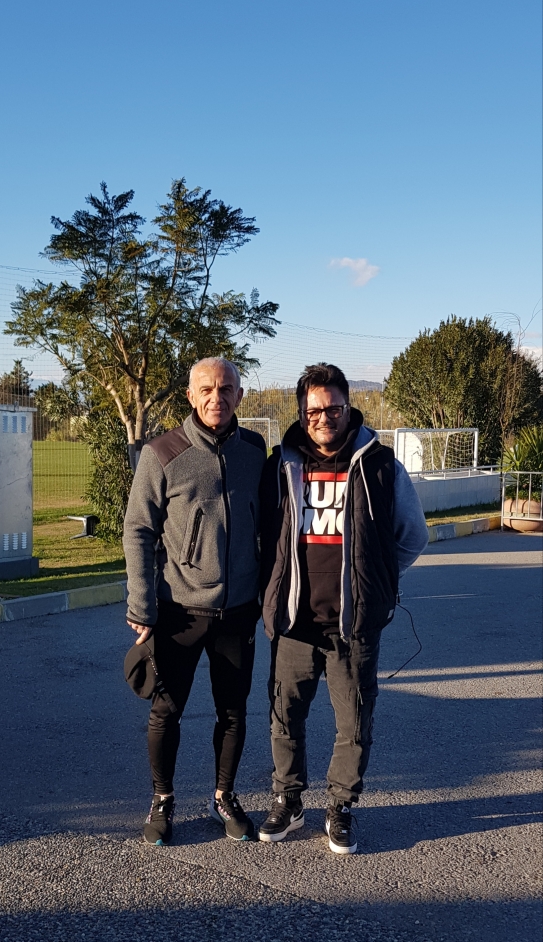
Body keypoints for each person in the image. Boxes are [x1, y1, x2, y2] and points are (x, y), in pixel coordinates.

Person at [258, 363, 428, 854]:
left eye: (333, 407)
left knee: (353, 722)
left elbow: (412, 536)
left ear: (349, 407)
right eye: (313, 410)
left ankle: (340, 806)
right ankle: (288, 800)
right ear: (301, 413)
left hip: (353, 625)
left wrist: (377, 580)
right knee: (284, 716)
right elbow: (264, 536)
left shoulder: (380, 465)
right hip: (295, 621)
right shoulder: (281, 464)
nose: (324, 418)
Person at [123, 357, 266, 846]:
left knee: (234, 712)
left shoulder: (254, 450)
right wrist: (141, 605)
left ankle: (223, 796)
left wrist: (266, 595)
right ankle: (162, 799)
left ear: (239, 395)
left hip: (238, 609)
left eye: (226, 389)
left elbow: (268, 524)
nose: (216, 398)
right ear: (190, 396)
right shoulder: (162, 452)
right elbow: (137, 530)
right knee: (166, 711)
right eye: (206, 389)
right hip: (178, 612)